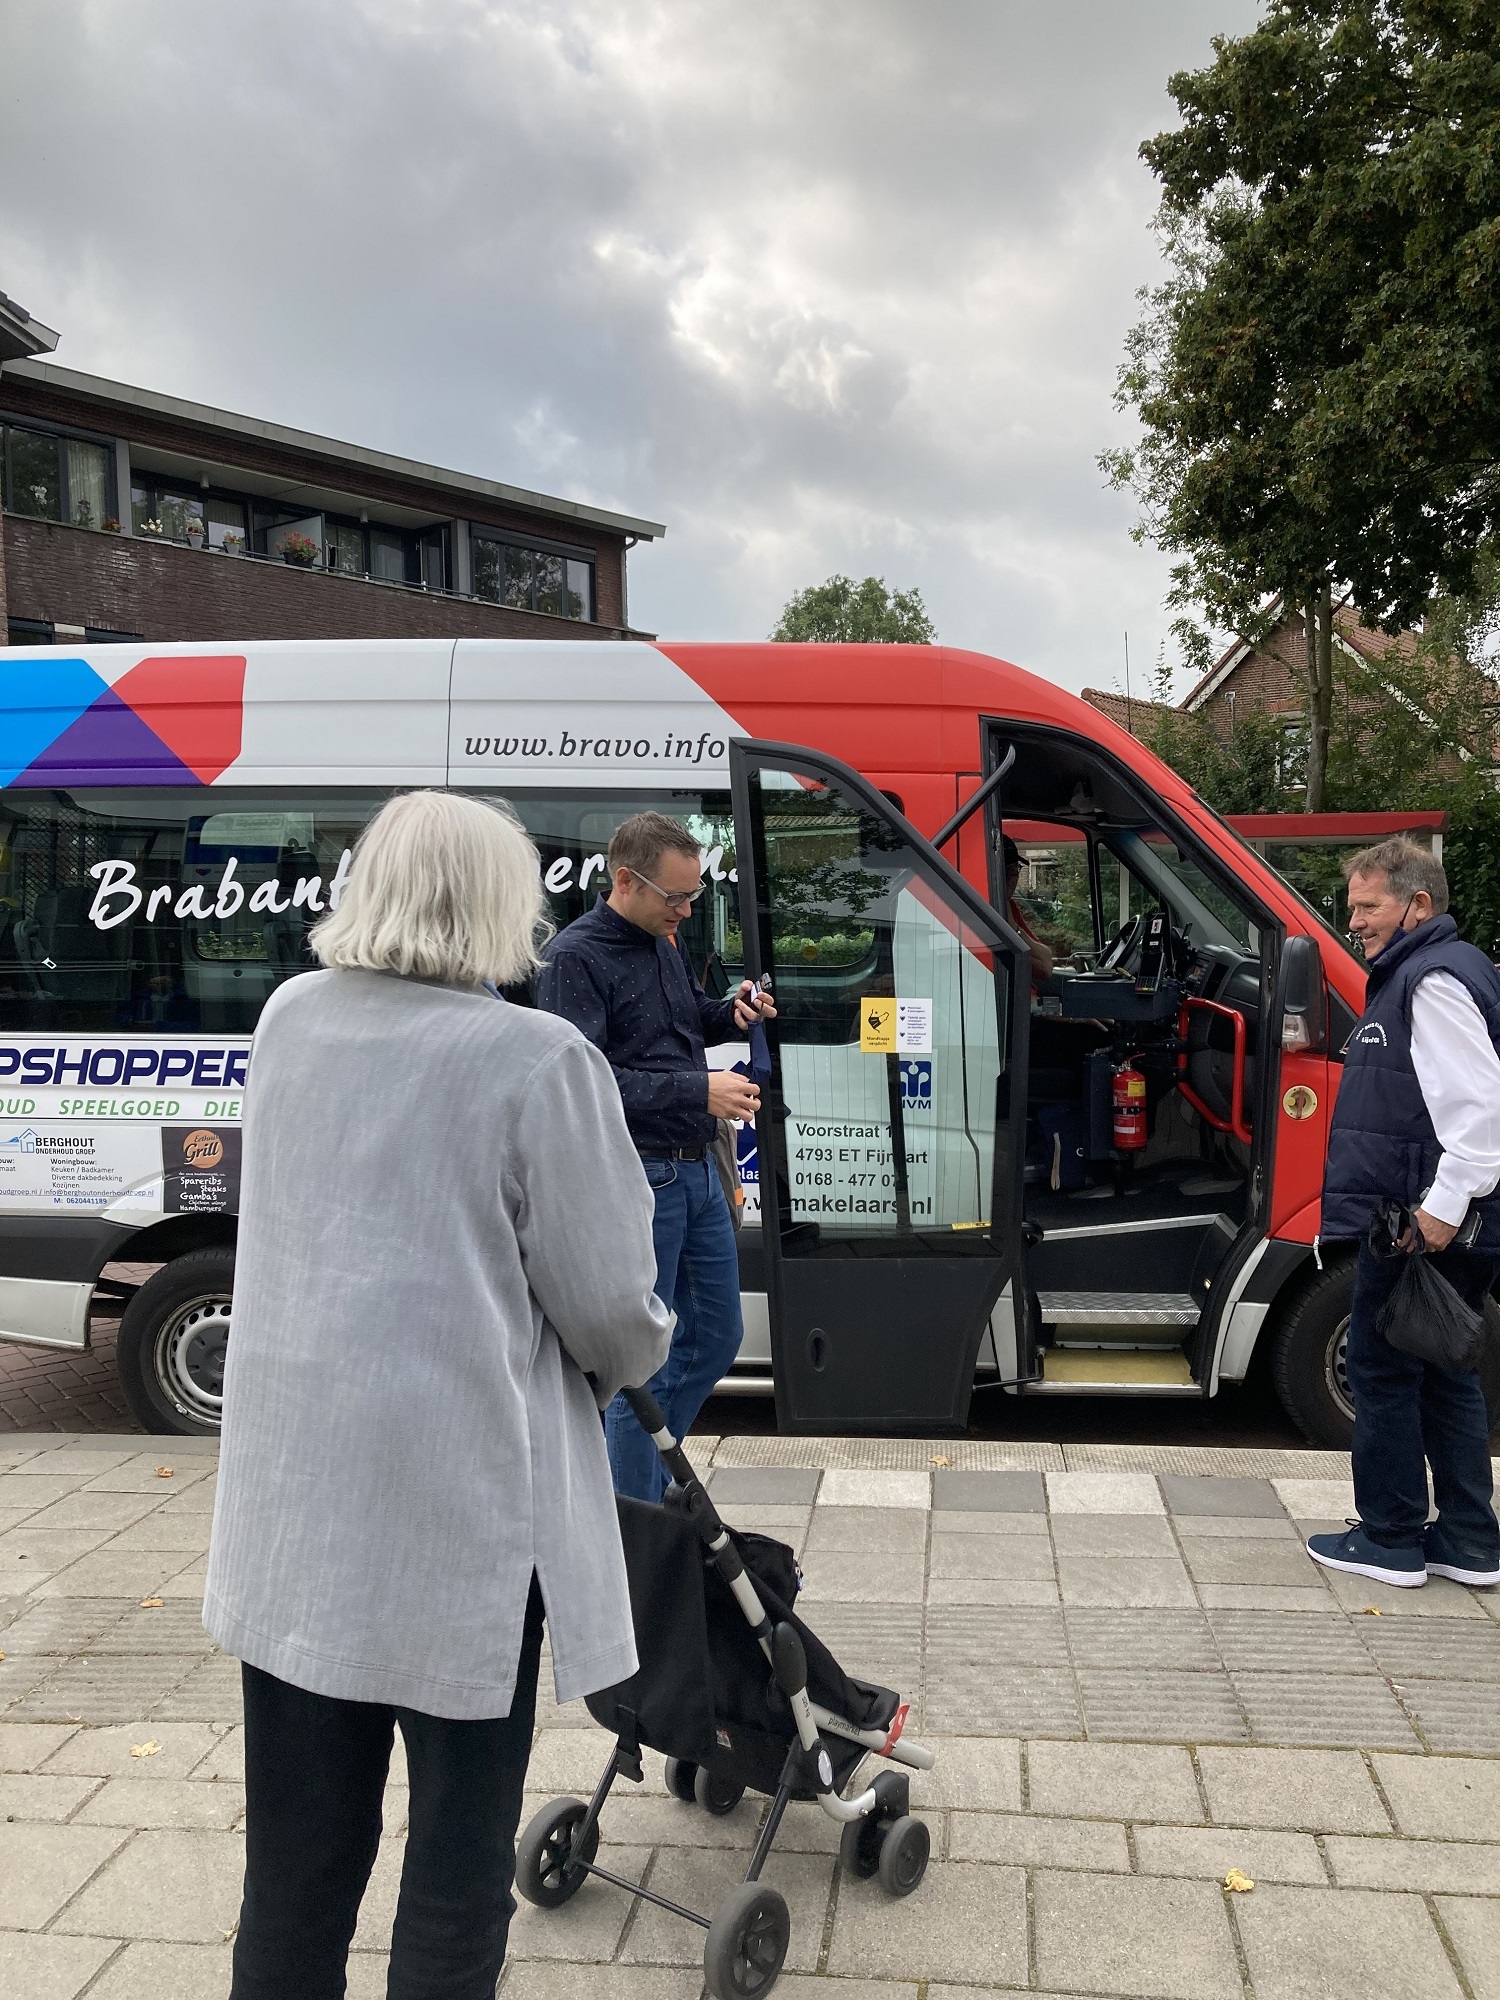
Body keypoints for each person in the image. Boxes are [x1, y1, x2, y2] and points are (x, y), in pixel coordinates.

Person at [204, 791, 671, 2000]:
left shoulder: (289, 1017)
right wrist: (628, 1356)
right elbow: (614, 1303)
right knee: (456, 1874)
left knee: (296, 1869)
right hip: (459, 1525)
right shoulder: (535, 1060)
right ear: (503, 905)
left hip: (296, 1514)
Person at [536, 810, 775, 1501]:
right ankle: (633, 1515)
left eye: (693, 896)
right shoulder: (575, 958)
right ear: (625, 881)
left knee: (718, 1338)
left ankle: (640, 1480)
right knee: (642, 1361)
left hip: (697, 1170)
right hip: (642, 1174)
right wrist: (698, 1089)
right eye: (675, 897)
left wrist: (730, 1010)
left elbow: (681, 1019)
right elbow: (583, 1082)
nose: (686, 909)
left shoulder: (661, 938)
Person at [1307, 836, 1500, 1590]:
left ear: (1417, 905)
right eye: (1351, 907)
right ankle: (1468, 1542)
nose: (1354, 922)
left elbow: (1481, 1112)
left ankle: (1389, 1539)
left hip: (1423, 1222)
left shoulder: (1431, 982)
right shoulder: (1436, 972)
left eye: (1367, 906)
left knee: (1384, 1370)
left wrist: (1442, 1210)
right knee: (1446, 1371)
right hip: (1436, 1215)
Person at [1002, 834, 1055, 978]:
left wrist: (1016, 930)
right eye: (1012, 872)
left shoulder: (1009, 906)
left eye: (1015, 871)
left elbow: (1046, 956)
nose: (1014, 879)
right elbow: (1044, 969)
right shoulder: (990, 910)